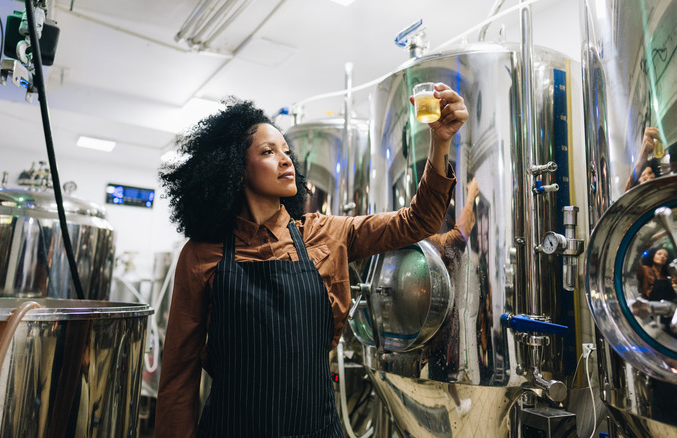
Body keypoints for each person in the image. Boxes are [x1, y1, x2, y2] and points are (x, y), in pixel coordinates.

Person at [155, 84, 468, 437]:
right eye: (268, 151)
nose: (286, 159)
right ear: (235, 169)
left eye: (287, 151)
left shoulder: (326, 233)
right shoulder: (202, 254)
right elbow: (179, 378)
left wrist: (440, 142)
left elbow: (418, 222)